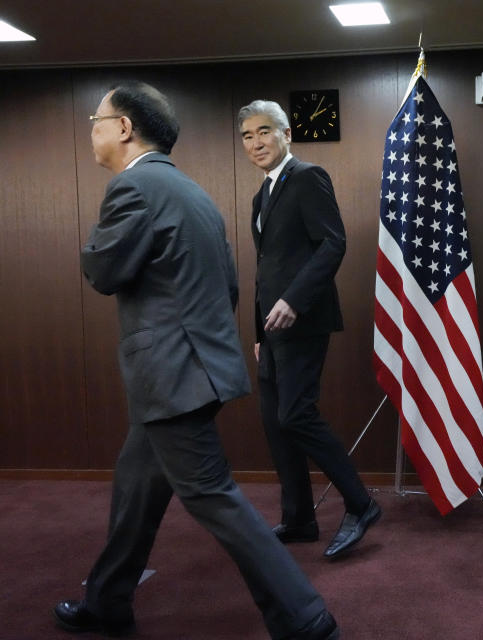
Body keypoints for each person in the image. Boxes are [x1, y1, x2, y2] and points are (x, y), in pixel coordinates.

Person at [54, 82, 339, 640]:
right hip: (193, 371)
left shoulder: (134, 188)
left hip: (172, 378)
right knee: (136, 487)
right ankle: (109, 602)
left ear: (125, 128)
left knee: (214, 497)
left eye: (97, 117)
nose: (92, 127)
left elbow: (102, 272)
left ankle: (306, 619)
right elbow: (228, 286)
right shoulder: (189, 190)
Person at [238, 100, 380, 558]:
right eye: (247, 136)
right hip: (272, 330)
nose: (255, 142)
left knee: (295, 414)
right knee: (275, 424)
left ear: (286, 135)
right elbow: (267, 268)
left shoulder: (307, 177)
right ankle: (298, 519)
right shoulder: (263, 194)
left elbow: (332, 244)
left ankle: (361, 505)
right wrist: (259, 333)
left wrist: (293, 302)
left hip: (303, 320)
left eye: (264, 132)